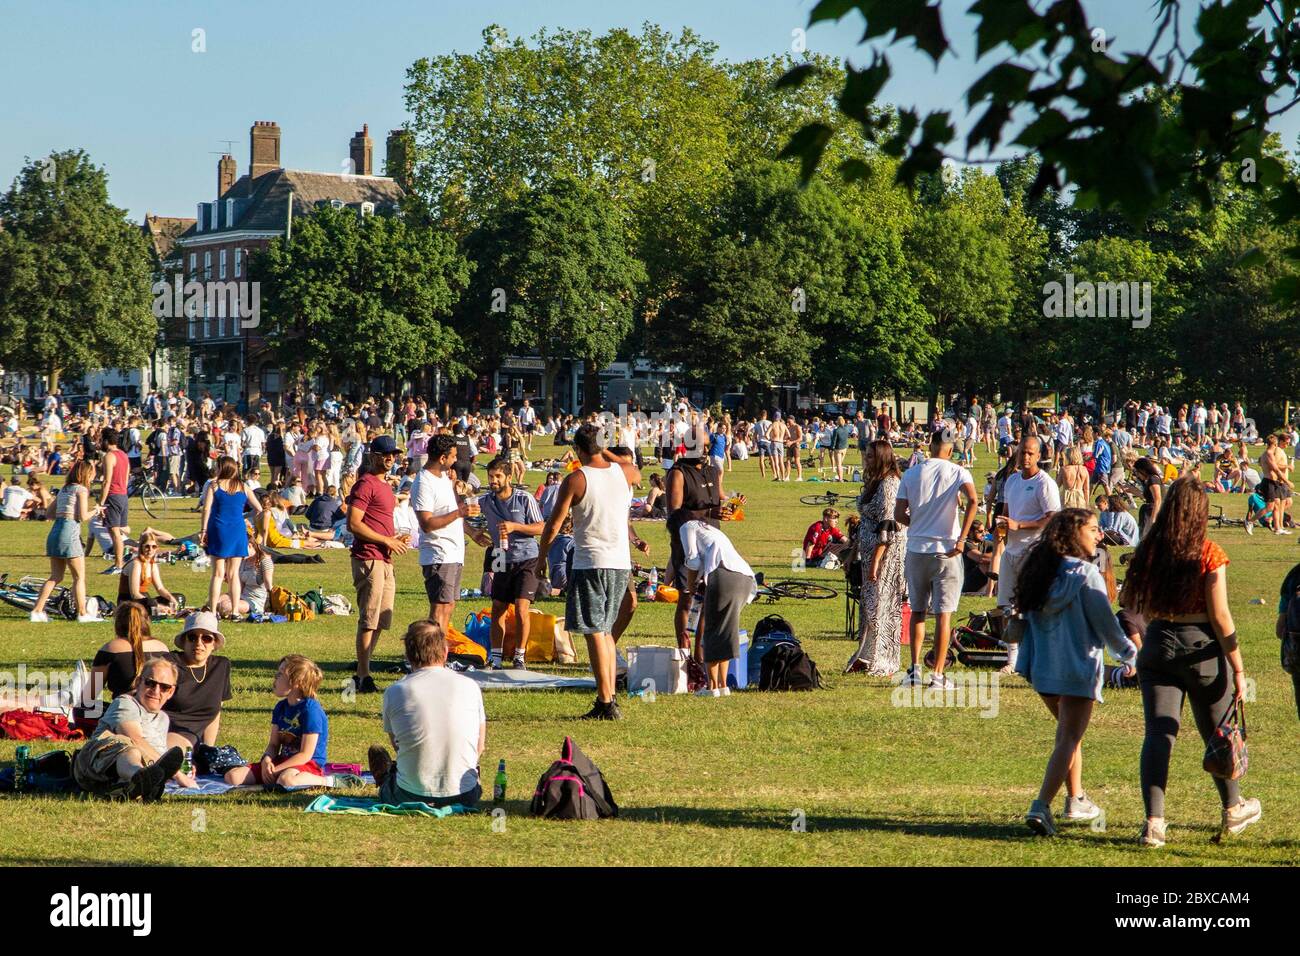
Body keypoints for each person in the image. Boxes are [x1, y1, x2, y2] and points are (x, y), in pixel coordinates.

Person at [1120, 477, 1261, 847]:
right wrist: (1239, 666)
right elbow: (1221, 616)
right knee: (1219, 732)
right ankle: (1233, 806)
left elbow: (1131, 598)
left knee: (1158, 735)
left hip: (1157, 644)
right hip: (1202, 649)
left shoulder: (1149, 551)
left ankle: (1154, 822)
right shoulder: (1208, 553)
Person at [1015, 509, 1136, 836]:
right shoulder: (1085, 574)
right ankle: (1041, 806)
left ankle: (1076, 798)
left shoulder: (1039, 572)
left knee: (1067, 736)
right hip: (1077, 669)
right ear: (1073, 534)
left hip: (1044, 670)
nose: (1099, 536)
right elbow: (1107, 626)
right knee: (1069, 737)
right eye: (1094, 530)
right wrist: (1130, 654)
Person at [538, 423, 640, 720]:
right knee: (605, 631)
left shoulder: (577, 479)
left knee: (594, 631)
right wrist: (603, 449)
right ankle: (608, 698)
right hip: (620, 563)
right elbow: (630, 466)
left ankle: (606, 702)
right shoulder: (623, 472)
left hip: (591, 561)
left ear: (579, 450)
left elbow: (554, 525)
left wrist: (542, 556)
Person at [893, 427, 978, 689]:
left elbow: (898, 514)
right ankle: (938, 675)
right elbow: (973, 501)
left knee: (918, 612)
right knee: (944, 615)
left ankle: (915, 669)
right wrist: (962, 538)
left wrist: (917, 524)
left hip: (917, 549)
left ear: (930, 446)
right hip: (947, 550)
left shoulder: (912, 472)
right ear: (951, 450)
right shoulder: (958, 471)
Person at [368, 621, 485, 807]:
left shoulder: (395, 691)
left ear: (407, 656)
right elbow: (479, 747)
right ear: (446, 652)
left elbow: (399, 745)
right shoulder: (470, 687)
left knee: (389, 767)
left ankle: (387, 778)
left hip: (409, 794)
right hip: (465, 794)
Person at [71, 657, 191, 800]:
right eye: (150, 683)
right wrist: (178, 775)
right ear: (139, 682)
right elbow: (136, 739)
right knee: (129, 746)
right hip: (90, 768)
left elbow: (159, 756)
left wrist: (183, 769)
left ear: (171, 692)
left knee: (147, 759)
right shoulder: (126, 703)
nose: (156, 691)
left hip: (115, 777)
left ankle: (131, 788)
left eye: (164, 687)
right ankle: (140, 777)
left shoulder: (163, 719)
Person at [347, 435, 408, 693]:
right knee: (369, 618)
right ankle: (362, 676)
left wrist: (393, 540)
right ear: (373, 456)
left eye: (394, 454)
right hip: (369, 557)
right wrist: (386, 540)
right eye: (386, 454)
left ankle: (363, 670)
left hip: (384, 556)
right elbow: (354, 523)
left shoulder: (385, 485)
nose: (391, 458)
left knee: (382, 618)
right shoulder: (365, 484)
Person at [995, 436, 1061, 675]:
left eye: (1030, 453)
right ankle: (1012, 660)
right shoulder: (1011, 480)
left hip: (1033, 551)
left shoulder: (1045, 483)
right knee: (1006, 607)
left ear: (1039, 455)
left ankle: (1039, 656)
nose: (1025, 457)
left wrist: (1019, 525)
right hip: (1010, 551)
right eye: (1022, 452)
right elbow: (1005, 512)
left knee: (1033, 606)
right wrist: (1000, 527)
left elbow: (1052, 517)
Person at [472, 456, 544, 669]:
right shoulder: (485, 501)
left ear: (509, 477)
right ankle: (495, 657)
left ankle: (519, 657)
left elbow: (541, 527)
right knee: (497, 607)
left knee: (522, 608)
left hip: (527, 558)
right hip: (500, 556)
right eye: (490, 476)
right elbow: (462, 514)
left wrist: (515, 527)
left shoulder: (524, 499)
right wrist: (474, 533)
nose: (493, 480)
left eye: (497, 476)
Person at [846, 440, 907, 675]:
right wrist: (853, 553)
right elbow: (866, 521)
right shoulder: (874, 481)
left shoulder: (890, 484)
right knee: (869, 606)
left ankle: (884, 658)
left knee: (881, 605)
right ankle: (866, 655)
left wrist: (874, 563)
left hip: (886, 557)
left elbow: (888, 526)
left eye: (871, 457)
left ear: (881, 457)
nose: (867, 460)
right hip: (869, 552)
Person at [224, 655, 330, 788]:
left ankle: (327, 781)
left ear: (296, 682)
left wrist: (276, 770)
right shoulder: (280, 707)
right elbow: (274, 744)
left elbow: (305, 754)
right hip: (283, 761)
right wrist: (266, 761)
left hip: (307, 764)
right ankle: (277, 776)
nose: (275, 677)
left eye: (280, 674)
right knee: (233, 777)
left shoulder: (310, 710)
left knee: (286, 781)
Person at [680, 519, 757, 696]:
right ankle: (723, 685)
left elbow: (692, 561)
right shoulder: (710, 530)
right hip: (744, 578)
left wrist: (691, 588)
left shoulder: (686, 527)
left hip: (722, 576)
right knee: (726, 632)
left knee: (713, 631)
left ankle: (712, 687)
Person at [664, 438, 724, 649]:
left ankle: (701, 652)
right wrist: (707, 512)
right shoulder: (678, 473)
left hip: (713, 542)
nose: (704, 449)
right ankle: (683, 649)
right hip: (687, 544)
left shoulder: (713, 471)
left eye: (707, 445)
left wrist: (730, 506)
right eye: (698, 445)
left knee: (709, 599)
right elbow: (674, 513)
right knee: (687, 599)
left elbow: (719, 499)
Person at [411, 434, 470, 633]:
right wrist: (459, 512)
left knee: (449, 605)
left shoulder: (444, 477)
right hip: (438, 553)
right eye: (453, 456)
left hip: (454, 552)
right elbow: (426, 523)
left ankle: (441, 655)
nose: (456, 461)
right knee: (438, 609)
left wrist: (472, 532)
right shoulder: (423, 482)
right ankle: (428, 656)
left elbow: (450, 510)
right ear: (442, 458)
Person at [30, 460, 97, 623]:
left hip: (55, 531)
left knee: (55, 576)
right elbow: (82, 516)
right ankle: (82, 614)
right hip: (70, 532)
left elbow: (50, 513)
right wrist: (96, 510)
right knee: (79, 577)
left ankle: (37, 611)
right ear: (86, 474)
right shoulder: (81, 490)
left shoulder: (64, 490)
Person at [199, 456, 262, 619]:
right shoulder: (243, 486)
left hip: (218, 528)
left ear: (222, 468)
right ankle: (234, 611)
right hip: (237, 530)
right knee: (234, 574)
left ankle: (213, 611)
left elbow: (206, 509)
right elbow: (259, 507)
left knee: (218, 574)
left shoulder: (214, 485)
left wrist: (203, 530)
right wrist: (243, 517)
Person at [163, 610, 233, 752]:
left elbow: (215, 712)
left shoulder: (221, 666)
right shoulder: (169, 663)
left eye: (206, 638)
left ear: (214, 643)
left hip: (196, 740)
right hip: (167, 733)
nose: (199, 643)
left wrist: (208, 749)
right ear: (184, 641)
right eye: (192, 637)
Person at [91, 601, 171, 701]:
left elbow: (89, 695)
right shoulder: (162, 648)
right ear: (147, 621)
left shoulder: (111, 649)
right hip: (159, 712)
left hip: (123, 711)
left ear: (117, 623)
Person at [117, 530, 180, 617]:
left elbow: (160, 588)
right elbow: (134, 594)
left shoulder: (152, 564)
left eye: (153, 547)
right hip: (129, 601)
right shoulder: (136, 564)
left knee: (178, 598)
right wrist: (157, 606)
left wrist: (172, 599)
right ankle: (157, 610)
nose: (150, 550)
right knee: (152, 604)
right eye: (147, 546)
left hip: (144, 598)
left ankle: (161, 609)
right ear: (141, 547)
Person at [96, 428, 131, 575]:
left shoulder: (109, 456)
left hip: (113, 495)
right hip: (123, 494)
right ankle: (121, 560)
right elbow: (127, 476)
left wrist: (101, 503)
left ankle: (118, 564)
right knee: (119, 530)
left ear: (106, 440)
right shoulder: (124, 455)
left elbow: (107, 481)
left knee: (114, 532)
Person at [217, 531, 274, 617]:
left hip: (255, 601)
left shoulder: (265, 561)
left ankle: (224, 611)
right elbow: (240, 586)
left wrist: (271, 606)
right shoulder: (244, 561)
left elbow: (269, 586)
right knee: (214, 601)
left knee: (225, 606)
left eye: (240, 550)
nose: (239, 554)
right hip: (242, 596)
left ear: (250, 546)